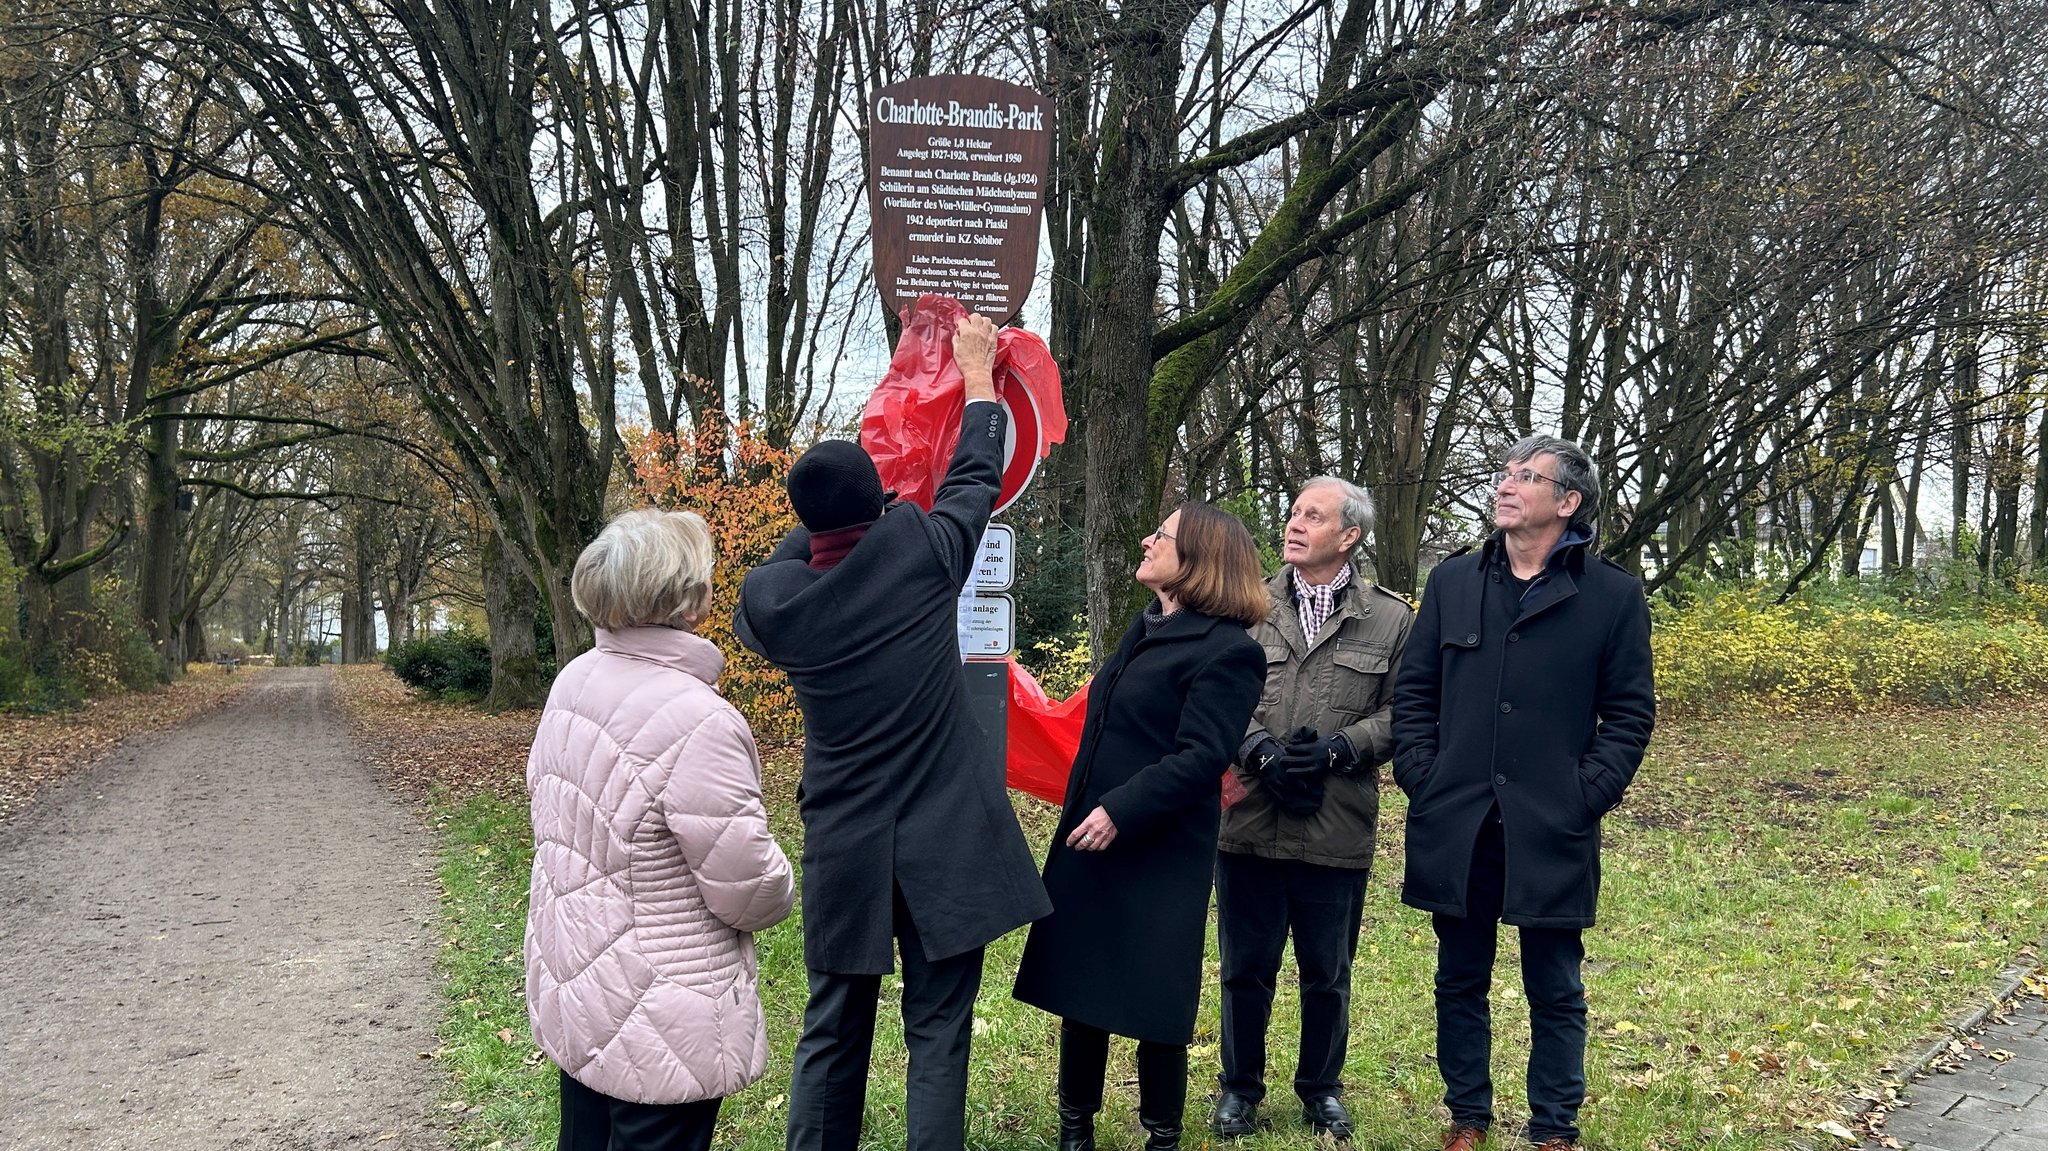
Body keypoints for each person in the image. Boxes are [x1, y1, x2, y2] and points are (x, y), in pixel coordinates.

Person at [734, 313, 1051, 1151]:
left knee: (832, 1026)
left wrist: (840, 510)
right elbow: (974, 479)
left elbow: (782, 556)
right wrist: (979, 379)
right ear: (879, 507)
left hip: (847, 840)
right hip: (950, 839)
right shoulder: (916, 552)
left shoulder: (773, 608)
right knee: (938, 1031)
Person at [1390, 435, 1656, 1151]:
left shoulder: (1613, 595)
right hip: (1460, 818)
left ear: (1567, 503)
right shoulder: (1452, 582)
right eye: (1506, 474)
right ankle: (1467, 1116)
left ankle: (1553, 1127)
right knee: (1459, 975)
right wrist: (1424, 773)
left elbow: (1630, 714)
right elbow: (1413, 692)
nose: (1507, 485)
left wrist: (1584, 793)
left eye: (1528, 477)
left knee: (1556, 983)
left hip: (1550, 820)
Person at [524, 508, 795, 1151]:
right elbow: (748, 890)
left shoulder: (573, 682)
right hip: (661, 1001)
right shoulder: (702, 719)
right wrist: (782, 881)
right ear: (689, 601)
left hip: (579, 976)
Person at [1011, 502, 1270, 1151]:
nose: (1150, 539)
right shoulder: (1149, 624)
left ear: (1199, 561)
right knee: (1082, 980)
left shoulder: (1230, 650)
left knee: (1157, 994)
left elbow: (1202, 755)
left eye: (1165, 535)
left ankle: (1162, 1134)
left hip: (1158, 845)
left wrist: (1121, 809)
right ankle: (1076, 1129)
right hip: (1092, 835)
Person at [1211, 477, 1414, 1142]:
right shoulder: (1245, 605)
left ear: (1349, 535)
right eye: (1294, 510)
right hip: (1248, 819)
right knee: (1246, 969)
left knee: (1328, 972)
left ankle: (1321, 1090)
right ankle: (1238, 1089)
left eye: (1312, 515)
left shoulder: (1390, 617)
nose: (1294, 523)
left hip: (1336, 824)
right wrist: (1258, 749)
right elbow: (1213, 695)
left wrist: (1339, 749)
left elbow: (1405, 714)